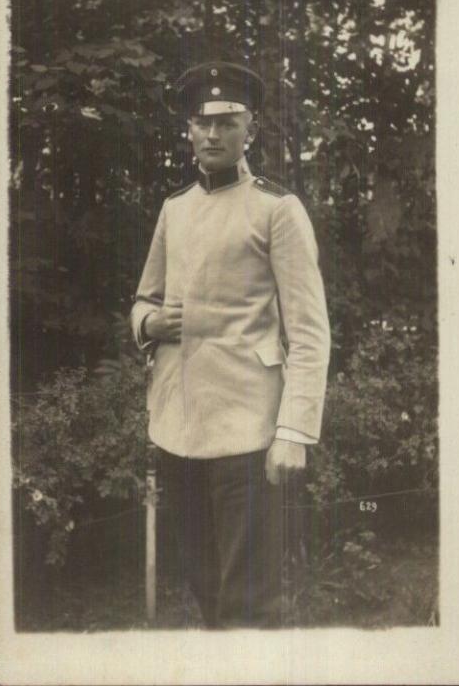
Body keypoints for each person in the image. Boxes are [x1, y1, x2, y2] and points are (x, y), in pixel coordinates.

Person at [131, 61, 330, 628]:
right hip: (179, 429)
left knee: (249, 603)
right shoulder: (175, 209)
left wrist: (294, 431)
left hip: (248, 430)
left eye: (227, 121)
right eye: (202, 122)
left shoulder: (277, 209)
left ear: (252, 130)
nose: (213, 134)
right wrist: (150, 325)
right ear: (188, 130)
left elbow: (311, 332)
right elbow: (144, 300)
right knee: (205, 593)